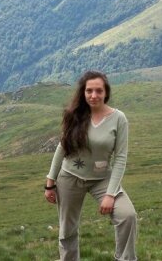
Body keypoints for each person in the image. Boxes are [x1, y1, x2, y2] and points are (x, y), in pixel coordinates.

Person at [44, 70, 137, 261]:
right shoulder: (74, 115)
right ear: (83, 92)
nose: (94, 95)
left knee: (127, 216)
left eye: (99, 91)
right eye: (89, 91)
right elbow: (62, 148)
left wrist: (110, 195)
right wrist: (50, 182)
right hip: (70, 177)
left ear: (106, 92)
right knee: (67, 229)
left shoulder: (119, 118)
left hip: (102, 179)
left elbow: (120, 158)